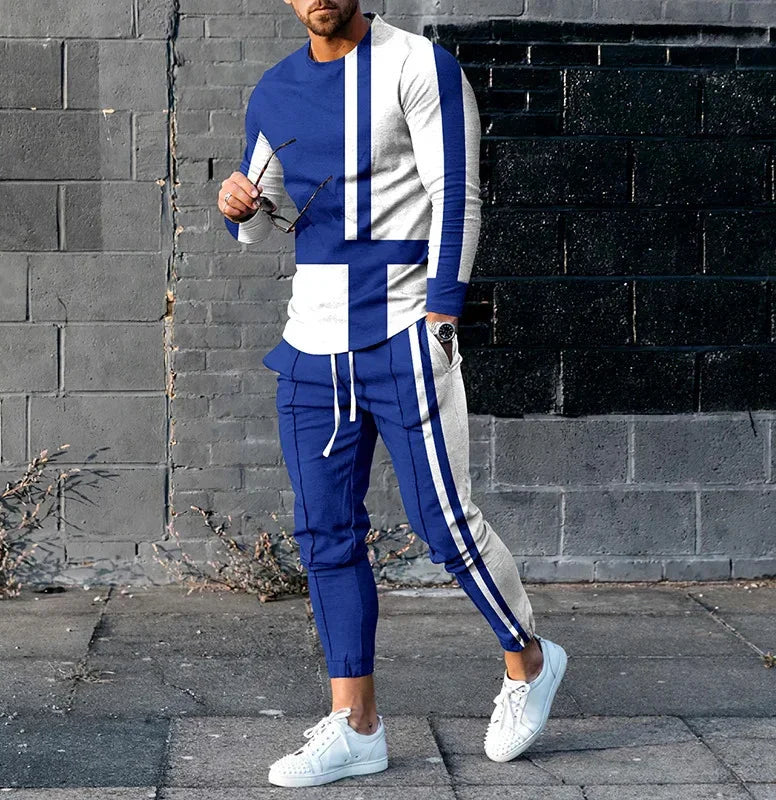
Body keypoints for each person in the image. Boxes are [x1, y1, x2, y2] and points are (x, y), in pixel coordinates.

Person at [217, 0, 568, 787]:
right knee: (324, 532)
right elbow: (264, 222)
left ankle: (530, 661)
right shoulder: (274, 91)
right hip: (311, 341)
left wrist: (442, 312)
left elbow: (459, 194)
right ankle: (357, 726)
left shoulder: (418, 65)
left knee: (443, 522)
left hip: (405, 328)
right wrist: (236, 207)